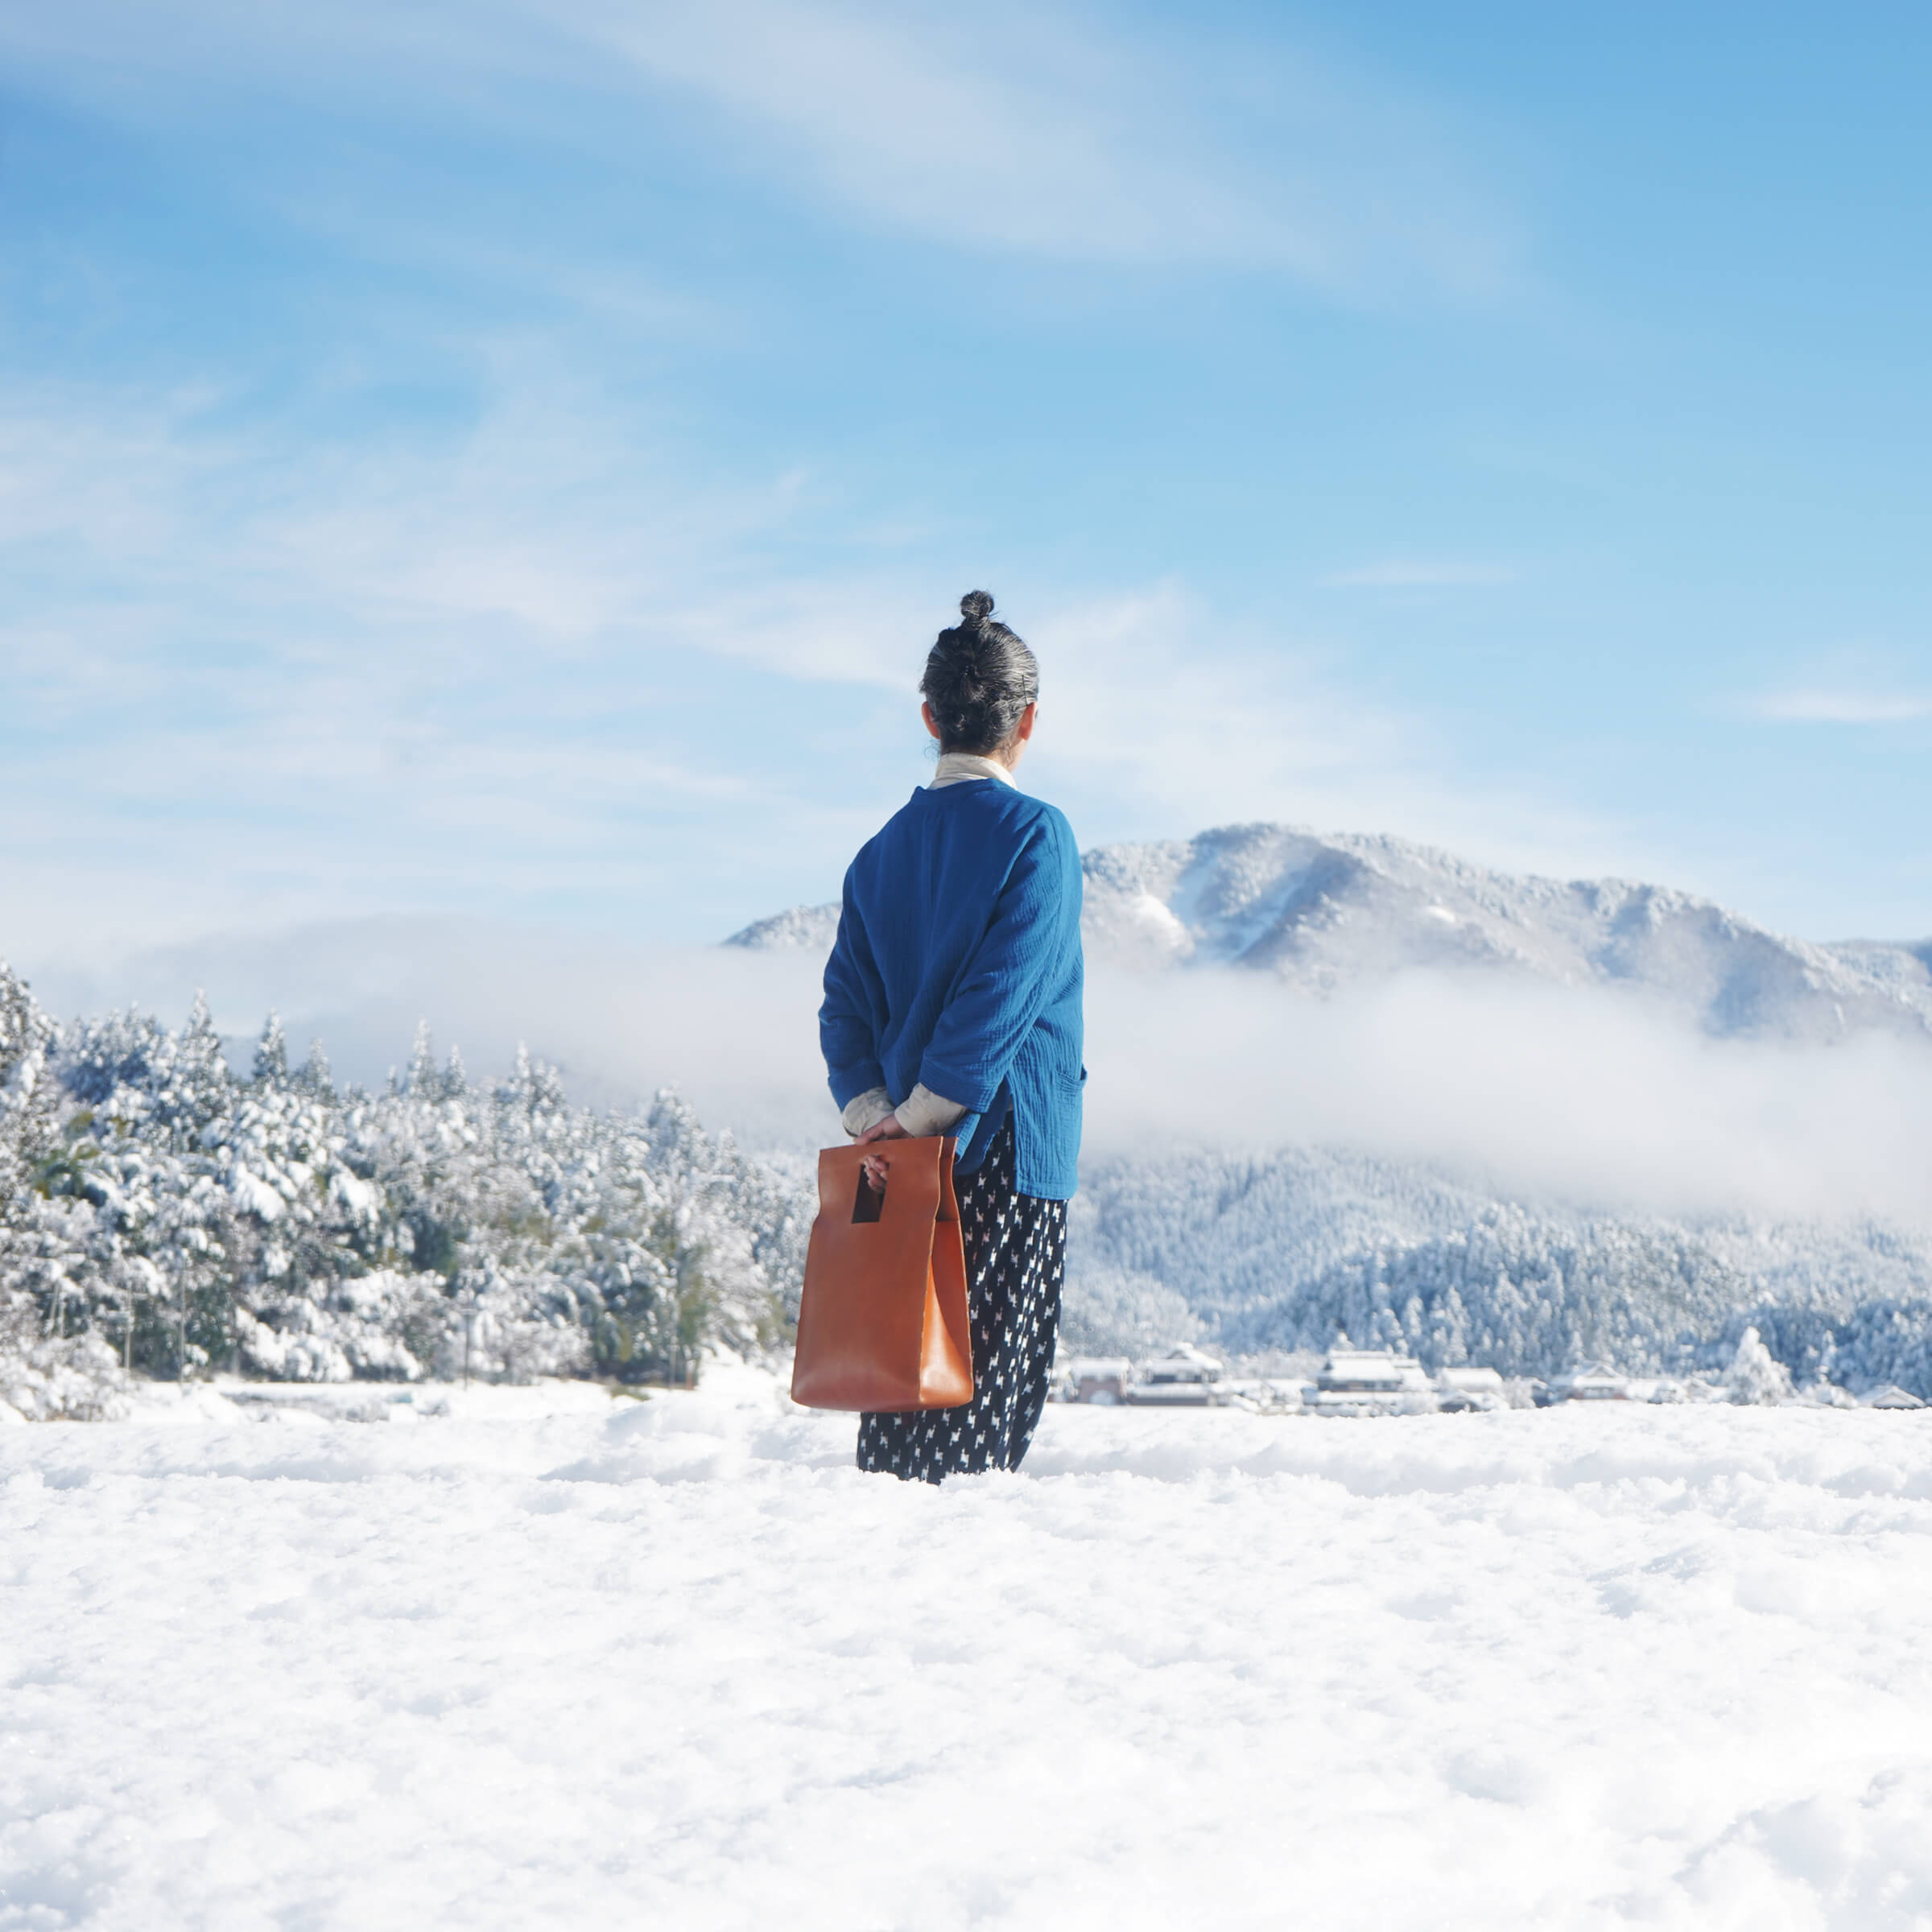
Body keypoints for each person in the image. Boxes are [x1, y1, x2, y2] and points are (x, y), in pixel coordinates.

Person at [819, 591, 1084, 1482]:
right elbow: (1001, 997)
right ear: (1029, 721)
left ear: (930, 716)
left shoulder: (880, 851)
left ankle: (887, 1596)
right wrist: (933, 1113)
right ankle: (955, 1606)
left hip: (900, 1165)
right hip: (1005, 1149)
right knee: (985, 1411)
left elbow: (842, 1005)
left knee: (903, 1391)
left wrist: (878, 1114)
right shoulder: (1037, 836)